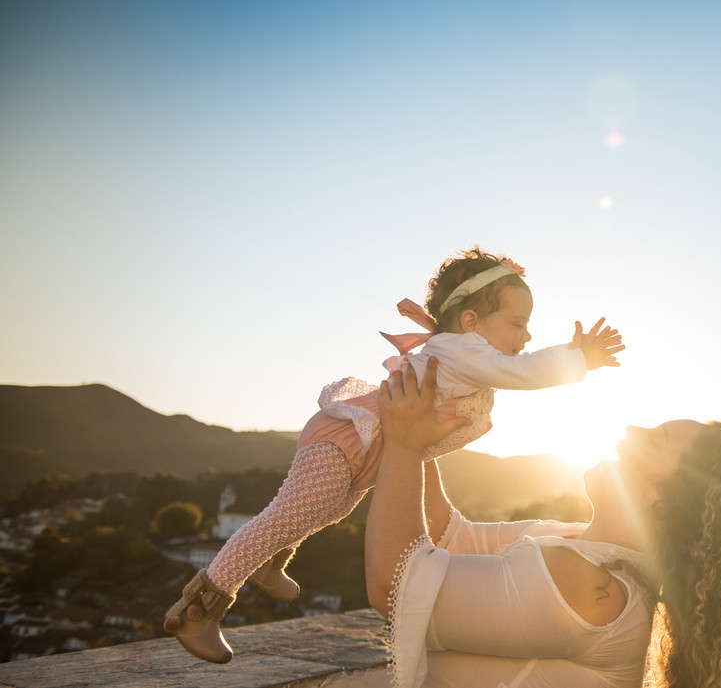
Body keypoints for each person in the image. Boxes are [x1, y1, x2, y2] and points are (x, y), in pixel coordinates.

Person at [164, 247, 624, 664]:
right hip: (348, 437)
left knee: (328, 510)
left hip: (372, 452)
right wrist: (579, 359)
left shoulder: (470, 355)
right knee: (284, 515)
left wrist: (570, 351)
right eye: (518, 324)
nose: (527, 335)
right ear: (469, 321)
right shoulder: (463, 350)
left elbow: (519, 364)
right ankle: (197, 610)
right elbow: (522, 372)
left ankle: (268, 561)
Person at [368, 360, 721, 688]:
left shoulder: (593, 589)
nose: (632, 426)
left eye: (654, 439)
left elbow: (396, 584)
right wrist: (429, 421)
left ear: (664, 502)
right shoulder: (577, 543)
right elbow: (450, 535)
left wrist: (405, 441)